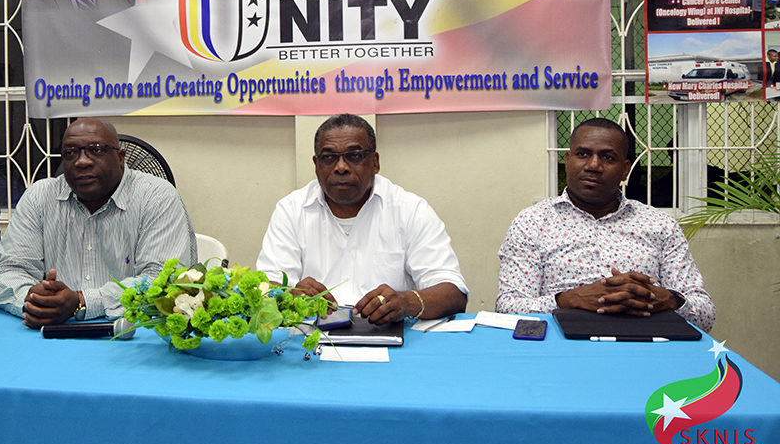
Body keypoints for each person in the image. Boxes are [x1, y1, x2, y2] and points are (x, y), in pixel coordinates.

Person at [496, 118, 715, 332]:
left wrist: (668, 299)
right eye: (583, 154)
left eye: (608, 157)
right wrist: (567, 299)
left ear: (625, 169)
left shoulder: (661, 225)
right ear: (567, 160)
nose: (593, 166)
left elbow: (705, 315)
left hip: (646, 344)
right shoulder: (532, 222)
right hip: (562, 346)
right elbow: (507, 309)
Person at [256, 114, 468, 325]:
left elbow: (453, 292)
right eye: (329, 157)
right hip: (311, 338)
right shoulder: (291, 210)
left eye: (354, 156)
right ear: (316, 164)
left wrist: (407, 302)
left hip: (389, 336)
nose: (341, 167)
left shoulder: (410, 209)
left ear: (375, 162)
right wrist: (289, 296)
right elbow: (265, 288)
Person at [0, 118, 197, 327]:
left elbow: (162, 281)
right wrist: (34, 301)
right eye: (70, 153)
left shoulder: (156, 197)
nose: (82, 161)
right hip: (50, 332)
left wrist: (82, 302)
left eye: (96, 150)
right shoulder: (39, 197)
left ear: (120, 157)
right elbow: (9, 271)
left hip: (132, 332)